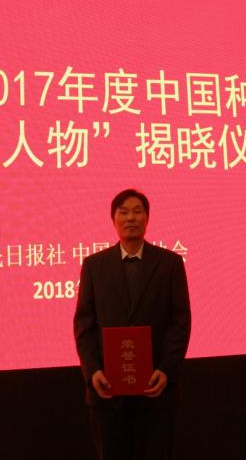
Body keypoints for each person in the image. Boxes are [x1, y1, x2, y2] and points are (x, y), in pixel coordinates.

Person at [74, 189, 191, 460]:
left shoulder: (170, 263)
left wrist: (166, 369)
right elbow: (84, 325)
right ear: (113, 219)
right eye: (123, 212)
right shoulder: (94, 265)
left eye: (137, 211)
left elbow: (180, 321)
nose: (131, 218)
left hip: (156, 390)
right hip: (107, 392)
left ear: (147, 218)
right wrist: (93, 372)